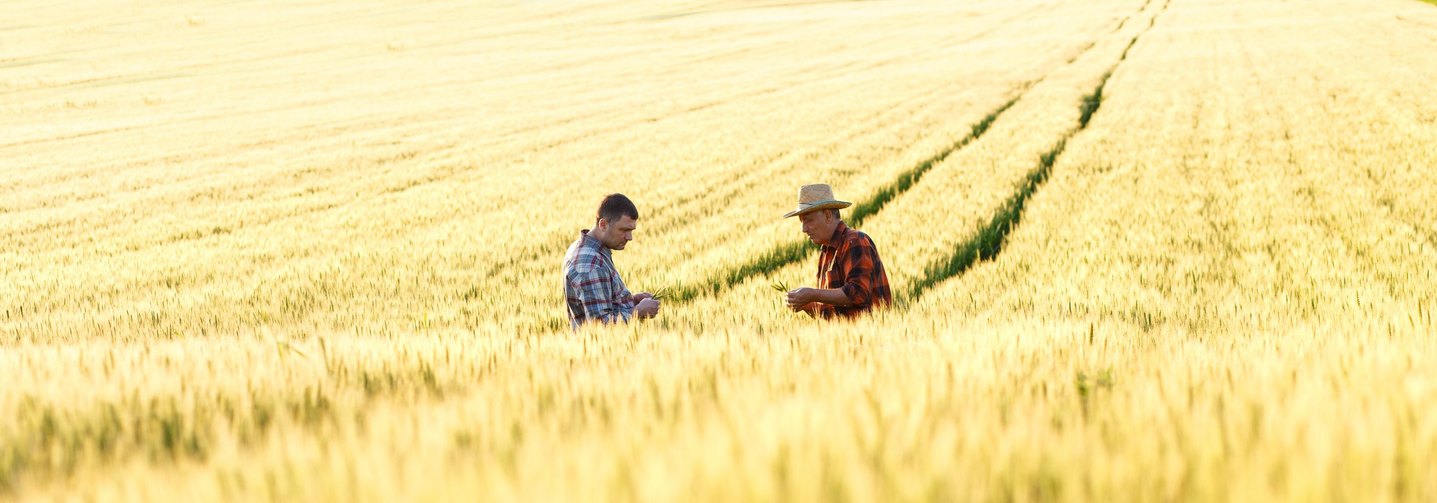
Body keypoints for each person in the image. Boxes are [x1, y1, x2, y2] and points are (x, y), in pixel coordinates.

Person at [782, 184, 892, 319]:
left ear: (828, 215)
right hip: (847, 339)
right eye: (802, 222)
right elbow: (834, 313)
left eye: (808, 220)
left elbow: (858, 293)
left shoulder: (855, 241)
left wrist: (812, 294)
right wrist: (805, 305)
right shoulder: (826, 252)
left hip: (872, 338)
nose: (804, 229)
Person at [564, 193, 661, 329]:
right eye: (624, 230)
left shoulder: (586, 247)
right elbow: (601, 326)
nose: (630, 237)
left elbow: (600, 302)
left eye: (631, 230)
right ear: (603, 224)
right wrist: (637, 313)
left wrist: (631, 300)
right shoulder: (590, 266)